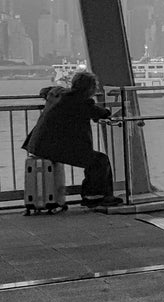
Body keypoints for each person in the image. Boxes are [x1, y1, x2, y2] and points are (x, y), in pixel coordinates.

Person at [22, 69, 115, 208]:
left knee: (94, 160)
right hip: (56, 148)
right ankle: (94, 197)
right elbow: (101, 113)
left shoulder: (57, 92)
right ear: (89, 88)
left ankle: (94, 195)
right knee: (99, 161)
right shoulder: (82, 102)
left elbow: (44, 90)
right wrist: (108, 112)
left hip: (38, 144)